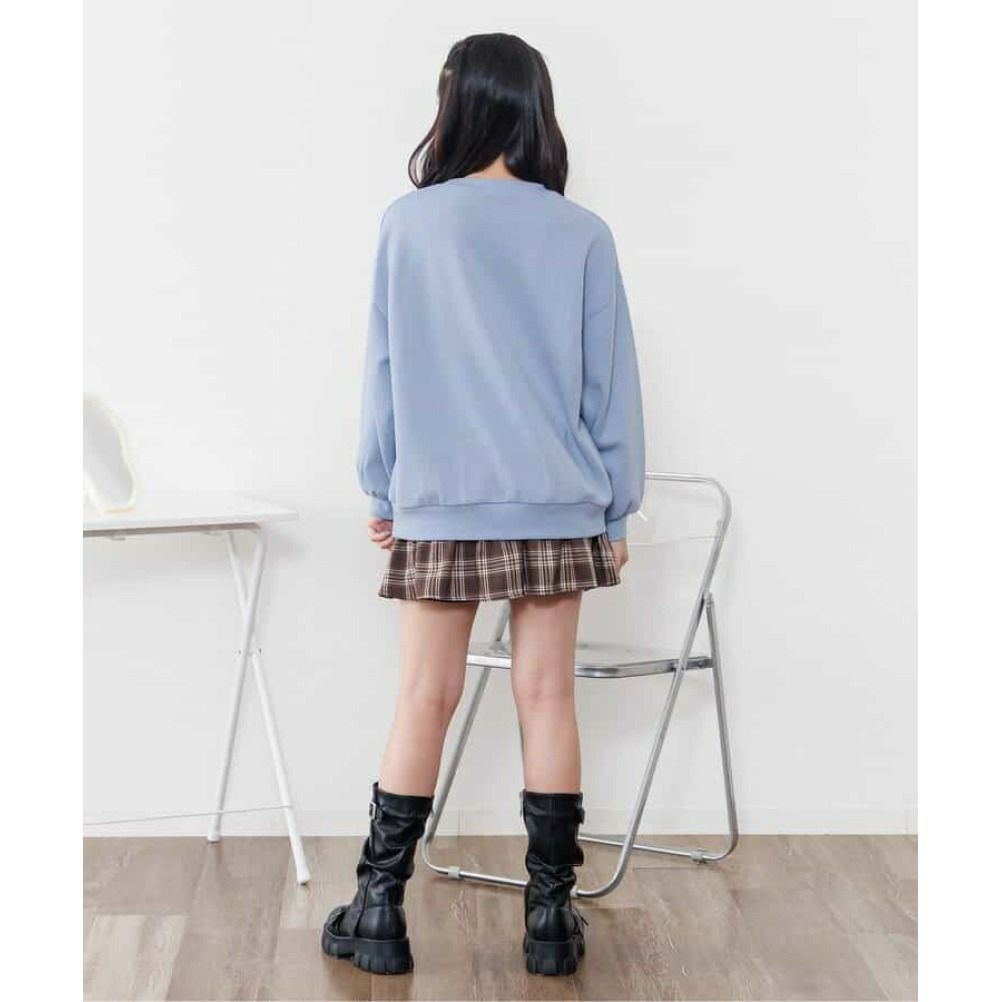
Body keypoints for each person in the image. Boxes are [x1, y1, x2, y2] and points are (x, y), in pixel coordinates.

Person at [321, 31, 645, 977]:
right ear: (536, 107)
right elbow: (611, 388)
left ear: (456, 103)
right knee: (547, 697)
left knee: (425, 696)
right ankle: (551, 922)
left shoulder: (409, 224)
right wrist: (615, 513)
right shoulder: (581, 233)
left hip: (446, 499)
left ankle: (378, 910)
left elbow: (385, 370)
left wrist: (383, 484)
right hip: (556, 502)